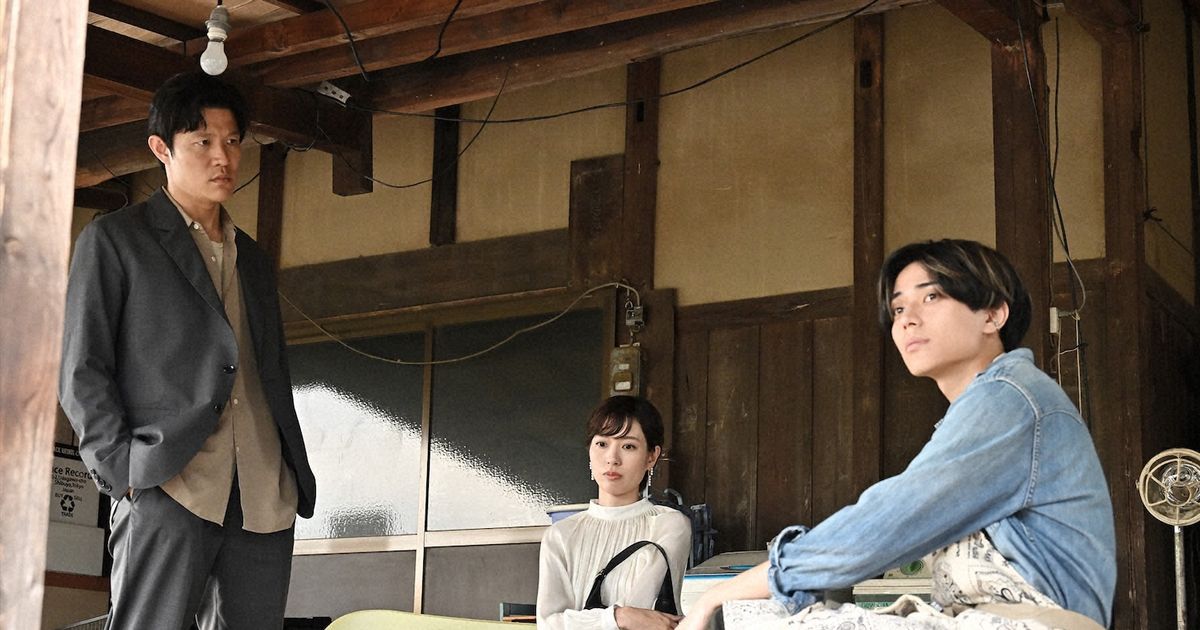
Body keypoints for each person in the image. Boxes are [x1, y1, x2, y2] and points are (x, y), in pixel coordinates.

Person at [678, 240, 1115, 630]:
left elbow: (887, 523)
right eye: (899, 308)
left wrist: (722, 592)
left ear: (992, 314)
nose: (908, 320)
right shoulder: (991, 401)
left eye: (932, 296)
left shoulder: (1009, 398)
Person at [59, 71, 316, 630]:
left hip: (264, 494)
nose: (223, 156)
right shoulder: (116, 239)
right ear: (161, 149)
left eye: (232, 141)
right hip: (167, 482)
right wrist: (122, 471)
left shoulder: (253, 259)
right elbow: (82, 369)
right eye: (202, 141)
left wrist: (289, 475)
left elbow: (269, 371)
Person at [537, 396, 693, 630]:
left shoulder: (669, 524)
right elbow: (548, 623)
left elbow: (641, 610)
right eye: (602, 444)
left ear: (651, 456)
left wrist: (585, 621)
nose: (612, 458)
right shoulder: (560, 535)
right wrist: (620, 617)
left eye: (628, 446)